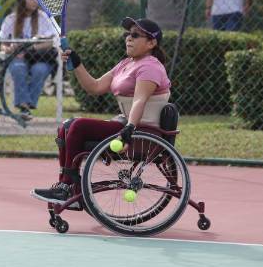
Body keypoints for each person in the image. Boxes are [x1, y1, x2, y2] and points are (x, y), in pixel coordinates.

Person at [31, 17, 171, 204]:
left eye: (135, 35)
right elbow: (95, 87)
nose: (129, 38)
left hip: (141, 132)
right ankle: (68, 186)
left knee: (79, 126)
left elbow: (140, 100)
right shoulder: (126, 63)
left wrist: (129, 128)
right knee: (66, 126)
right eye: (127, 34)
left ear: (151, 43)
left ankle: (66, 188)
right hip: (126, 124)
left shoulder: (150, 66)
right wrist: (76, 63)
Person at [0, 0, 58, 120]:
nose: (35, 1)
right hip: (17, 58)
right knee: (18, 68)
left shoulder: (44, 18)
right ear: (22, 0)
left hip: (39, 58)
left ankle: (27, 104)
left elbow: (52, 41)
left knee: (40, 70)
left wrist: (31, 49)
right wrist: (8, 49)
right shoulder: (11, 19)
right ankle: (25, 106)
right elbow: (3, 44)